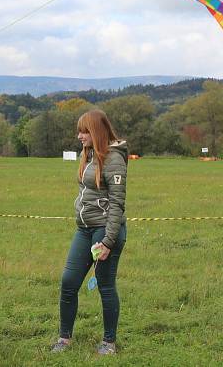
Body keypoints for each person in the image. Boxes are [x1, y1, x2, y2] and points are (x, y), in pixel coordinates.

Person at [51, 109, 128, 356]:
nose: (79, 136)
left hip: (105, 230)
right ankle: (64, 338)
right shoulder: (90, 155)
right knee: (68, 282)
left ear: (96, 132)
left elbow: (117, 204)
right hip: (84, 230)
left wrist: (107, 241)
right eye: (79, 131)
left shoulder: (113, 159)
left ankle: (109, 343)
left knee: (105, 285)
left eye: (84, 131)